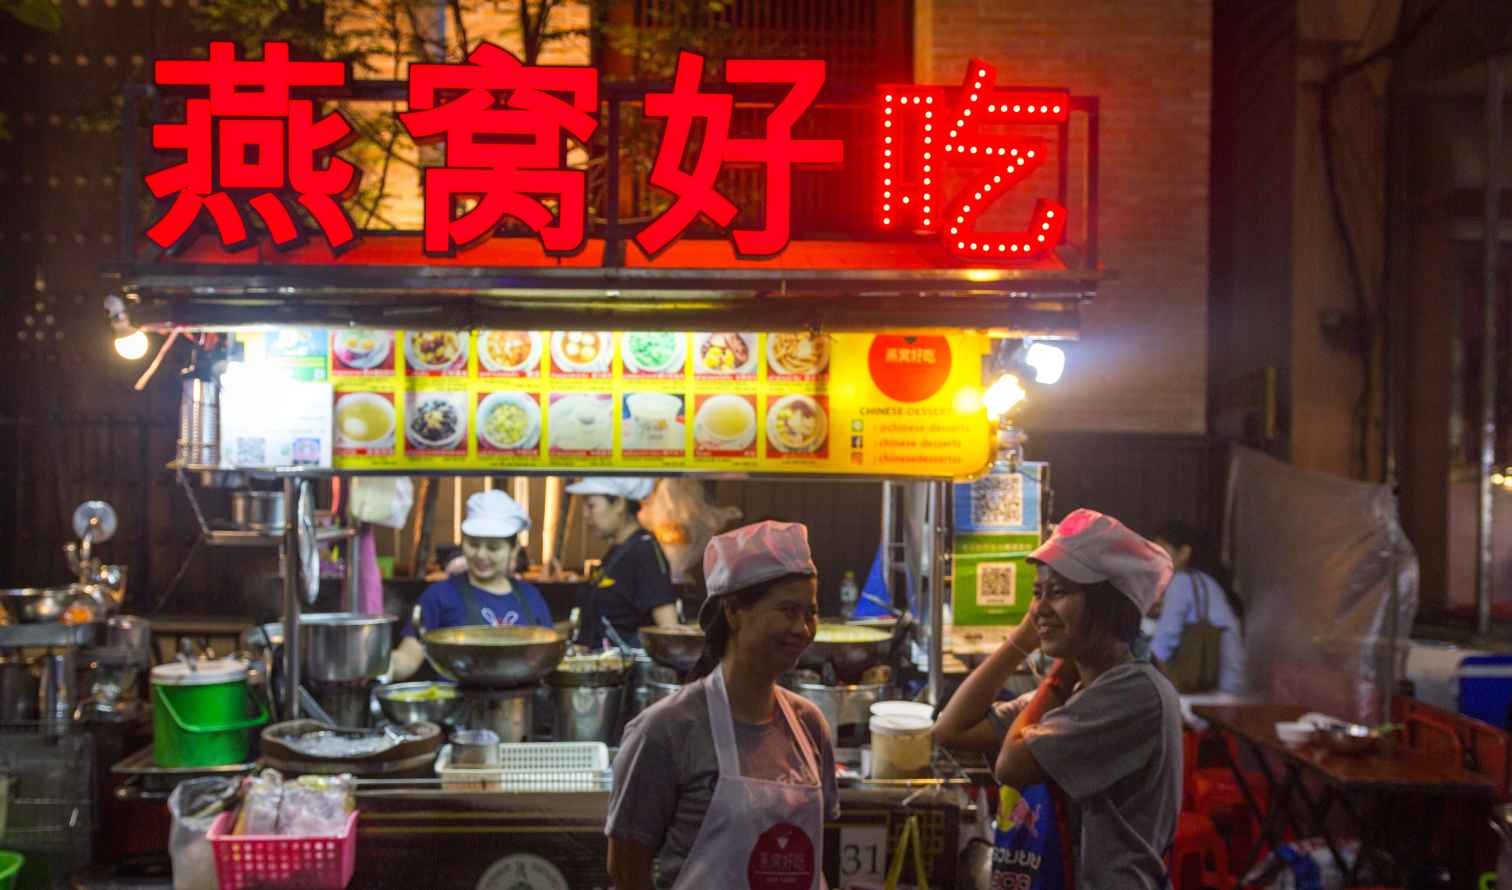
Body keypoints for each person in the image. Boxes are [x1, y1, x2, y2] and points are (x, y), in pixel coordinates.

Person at [933, 508, 1182, 889]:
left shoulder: (1133, 692)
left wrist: (1055, 673)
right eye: (1037, 593)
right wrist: (1025, 637)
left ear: (1109, 606)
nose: (1039, 608)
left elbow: (1012, 765)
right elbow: (951, 729)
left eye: (1059, 592)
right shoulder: (1078, 691)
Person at [606, 521, 839, 890]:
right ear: (733, 613)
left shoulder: (809, 724)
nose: (803, 628)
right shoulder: (665, 732)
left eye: (810, 612)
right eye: (787, 610)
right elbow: (626, 871)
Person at [388, 489, 552, 681]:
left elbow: (545, 659)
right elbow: (408, 658)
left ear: (513, 550)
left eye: (493, 547)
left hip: (518, 707)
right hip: (457, 708)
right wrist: (379, 667)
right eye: (473, 544)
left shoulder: (531, 598)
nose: (481, 555)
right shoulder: (440, 596)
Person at [569, 477, 679, 650]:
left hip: (626, 672)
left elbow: (670, 628)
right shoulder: (619, 550)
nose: (585, 515)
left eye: (591, 506)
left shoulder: (644, 551)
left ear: (619, 504)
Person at [1148, 520, 1247, 694]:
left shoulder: (1181, 582)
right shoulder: (1206, 581)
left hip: (1213, 686)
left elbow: (1165, 640)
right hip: (1229, 680)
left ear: (1184, 553)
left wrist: (1138, 670)